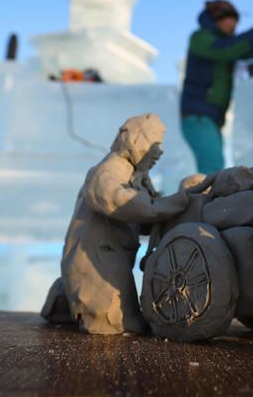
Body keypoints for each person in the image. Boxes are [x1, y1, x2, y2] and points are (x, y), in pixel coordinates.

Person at [41, 114, 189, 334]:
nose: (159, 152)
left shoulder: (136, 176)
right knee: (119, 323)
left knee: (127, 319)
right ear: (134, 139)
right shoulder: (107, 172)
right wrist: (172, 205)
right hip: (97, 261)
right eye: (154, 143)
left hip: (113, 259)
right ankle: (76, 294)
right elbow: (120, 202)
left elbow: (144, 217)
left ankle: (65, 300)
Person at [180, 0, 253, 173]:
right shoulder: (201, 38)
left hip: (211, 117)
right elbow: (227, 49)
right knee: (212, 167)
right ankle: (202, 200)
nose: (235, 26)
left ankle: (205, 199)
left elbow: (245, 50)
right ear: (220, 18)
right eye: (233, 21)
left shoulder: (226, 42)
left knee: (215, 166)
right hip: (197, 115)